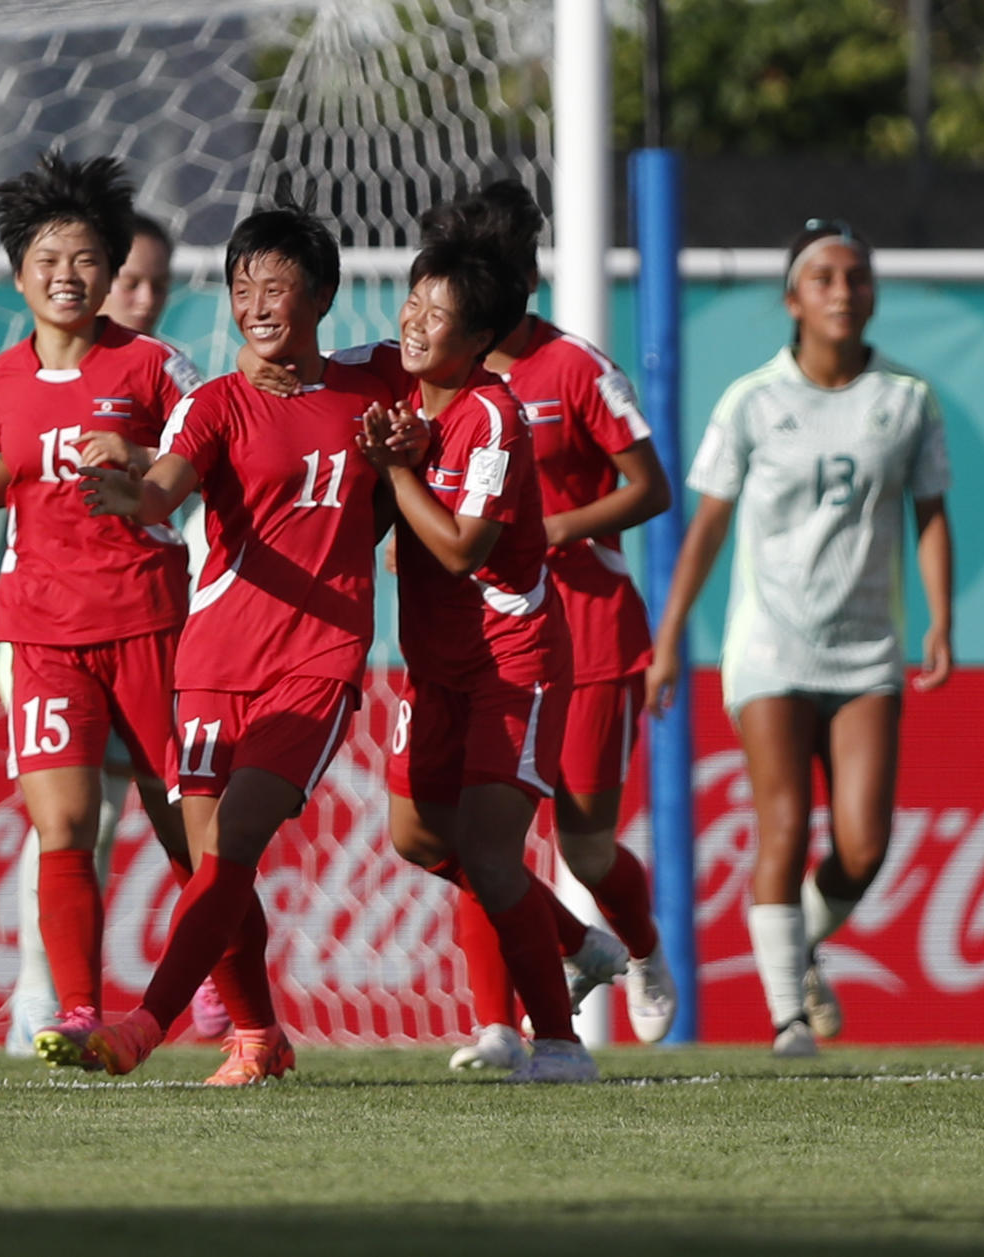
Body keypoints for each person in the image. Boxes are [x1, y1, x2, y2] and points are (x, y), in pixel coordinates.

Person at [66, 203, 395, 1084]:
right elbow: (168, 482)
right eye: (242, 285)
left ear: (320, 295)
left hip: (318, 661)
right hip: (213, 667)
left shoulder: (376, 386)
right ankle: (258, 1038)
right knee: (218, 867)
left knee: (235, 844)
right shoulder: (214, 404)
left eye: (276, 285)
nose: (255, 302)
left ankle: (141, 1026)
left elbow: (445, 388)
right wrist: (133, 496)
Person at [0, 153, 199, 1068]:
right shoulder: (0, 379)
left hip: (147, 618)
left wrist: (142, 464)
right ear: (18, 271)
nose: (65, 276)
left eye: (84, 260)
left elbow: (206, 462)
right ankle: (77, 1009)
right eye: (47, 259)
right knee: (63, 827)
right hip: (39, 630)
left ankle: (242, 1010)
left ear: (112, 272)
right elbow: (13, 471)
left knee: (183, 824)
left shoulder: (155, 366)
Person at [646, 219, 954, 1057]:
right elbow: (704, 527)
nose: (843, 291)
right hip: (771, 643)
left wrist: (941, 620)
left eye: (856, 276)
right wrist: (668, 636)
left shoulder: (907, 399)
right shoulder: (753, 400)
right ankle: (787, 1017)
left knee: (864, 843)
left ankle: (805, 947)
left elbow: (930, 513)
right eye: (823, 278)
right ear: (792, 300)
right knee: (783, 822)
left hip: (866, 648)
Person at [421, 181, 676, 1067]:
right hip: (483, 635)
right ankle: (497, 1022)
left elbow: (652, 486)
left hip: (589, 630)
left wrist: (550, 527)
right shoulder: (435, 379)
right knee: (473, 829)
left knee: (584, 842)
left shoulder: (575, 369)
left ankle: (637, 949)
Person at [353, 235, 598, 1083]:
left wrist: (395, 473)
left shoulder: (493, 413)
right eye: (414, 302)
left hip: (509, 660)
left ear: (482, 334)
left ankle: (561, 1044)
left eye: (440, 313)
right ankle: (574, 939)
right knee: (417, 836)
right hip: (437, 665)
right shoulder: (400, 388)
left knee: (494, 857)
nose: (417, 322)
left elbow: (462, 548)